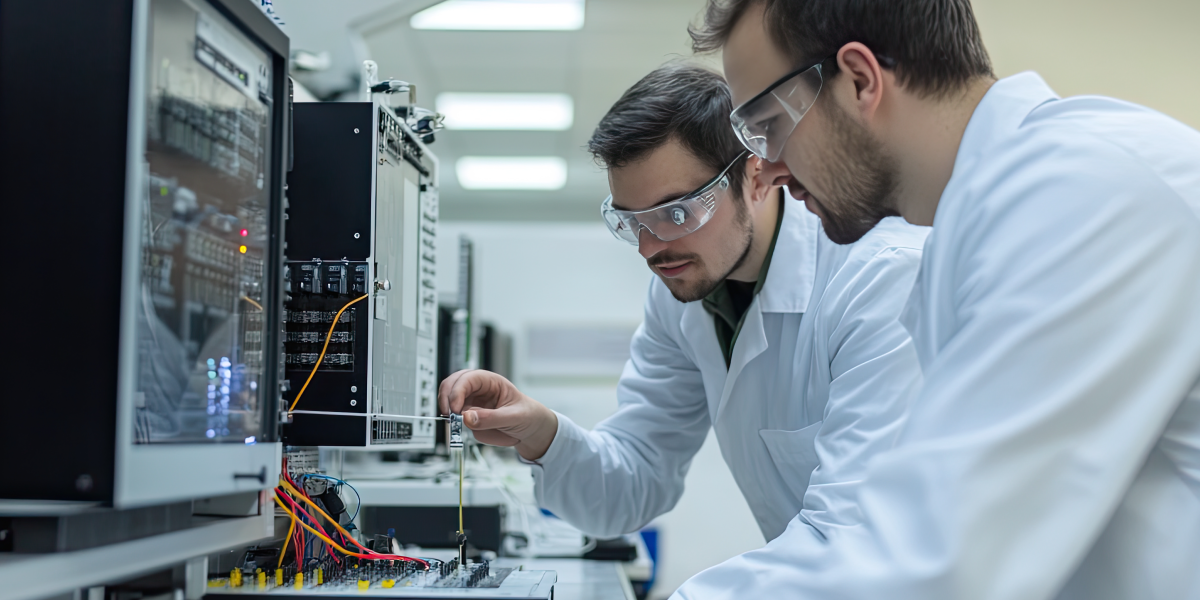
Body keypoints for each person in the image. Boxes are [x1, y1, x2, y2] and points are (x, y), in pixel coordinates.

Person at [671, 0, 1200, 598]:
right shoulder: (978, 224)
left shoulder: (1080, 191)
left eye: (769, 124)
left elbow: (937, 557)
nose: (767, 168)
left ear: (862, 80)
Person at [439, 64, 928, 549]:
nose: (650, 250)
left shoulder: (877, 276)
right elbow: (631, 485)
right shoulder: (683, 295)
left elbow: (852, 535)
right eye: (632, 222)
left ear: (755, 176)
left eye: (676, 213)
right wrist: (541, 433)